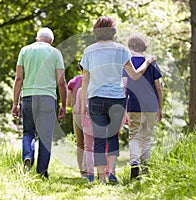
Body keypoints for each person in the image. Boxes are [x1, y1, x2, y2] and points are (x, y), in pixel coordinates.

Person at [80, 16, 154, 183]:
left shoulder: (89, 51)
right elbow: (134, 75)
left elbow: (85, 79)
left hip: (95, 98)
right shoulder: (121, 50)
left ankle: (101, 179)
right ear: (113, 31)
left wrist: (85, 102)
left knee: (99, 138)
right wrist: (147, 62)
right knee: (113, 136)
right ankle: (111, 173)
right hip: (116, 99)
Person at [12, 27, 67, 179]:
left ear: (37, 38)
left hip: (28, 97)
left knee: (28, 131)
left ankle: (27, 157)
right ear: (51, 41)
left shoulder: (25, 50)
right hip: (48, 98)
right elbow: (62, 82)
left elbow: (18, 79)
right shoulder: (55, 53)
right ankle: (42, 173)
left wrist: (15, 103)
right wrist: (63, 104)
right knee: (45, 136)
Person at [122, 34, 163, 180]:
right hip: (151, 105)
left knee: (134, 136)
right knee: (146, 138)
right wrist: (160, 107)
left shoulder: (128, 62)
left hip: (134, 105)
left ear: (130, 47)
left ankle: (134, 163)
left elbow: (125, 88)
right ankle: (146, 168)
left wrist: (124, 108)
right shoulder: (151, 63)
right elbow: (158, 88)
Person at [67, 65, 87, 178]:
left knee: (80, 143)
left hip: (77, 113)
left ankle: (82, 172)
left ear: (79, 68)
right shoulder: (96, 80)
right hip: (91, 113)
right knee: (91, 143)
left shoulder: (74, 81)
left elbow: (68, 103)